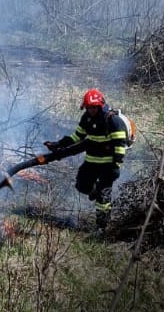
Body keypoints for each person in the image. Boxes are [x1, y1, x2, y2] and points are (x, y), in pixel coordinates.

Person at [43, 88, 128, 234]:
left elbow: (120, 145)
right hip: (91, 161)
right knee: (81, 185)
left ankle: (102, 227)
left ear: (100, 105)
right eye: (89, 107)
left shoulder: (113, 120)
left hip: (108, 165)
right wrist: (58, 144)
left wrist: (116, 165)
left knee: (103, 196)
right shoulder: (86, 118)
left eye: (94, 107)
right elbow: (77, 137)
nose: (91, 110)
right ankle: (95, 192)